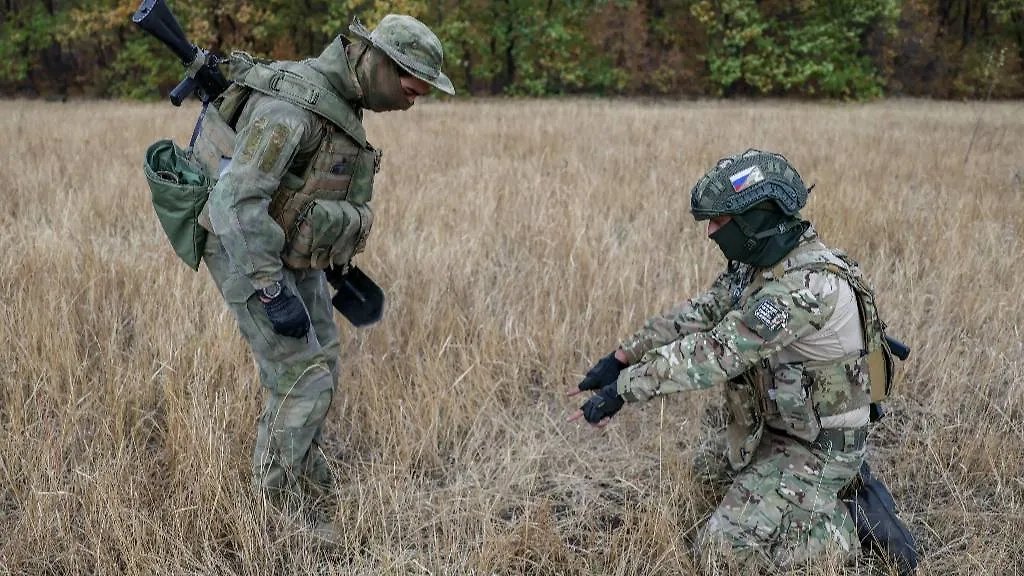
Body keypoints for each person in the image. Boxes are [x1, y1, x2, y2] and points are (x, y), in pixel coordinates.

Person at [569, 149, 916, 573]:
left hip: (821, 445)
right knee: (703, 477)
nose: (710, 232)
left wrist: (621, 392)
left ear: (755, 221)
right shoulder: (758, 266)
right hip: (775, 430)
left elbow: (715, 354)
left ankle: (845, 519)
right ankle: (813, 498)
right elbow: (698, 313)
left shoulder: (805, 289)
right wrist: (620, 357)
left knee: (721, 553)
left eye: (719, 222)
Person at [190, 14, 454, 532]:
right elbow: (235, 204)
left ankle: (303, 470)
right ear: (380, 64)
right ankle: (275, 512)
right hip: (246, 247)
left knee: (323, 362)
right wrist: (270, 290)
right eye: (410, 89)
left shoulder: (342, 100)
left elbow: (308, 192)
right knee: (301, 377)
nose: (411, 102)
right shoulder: (292, 109)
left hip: (288, 247)